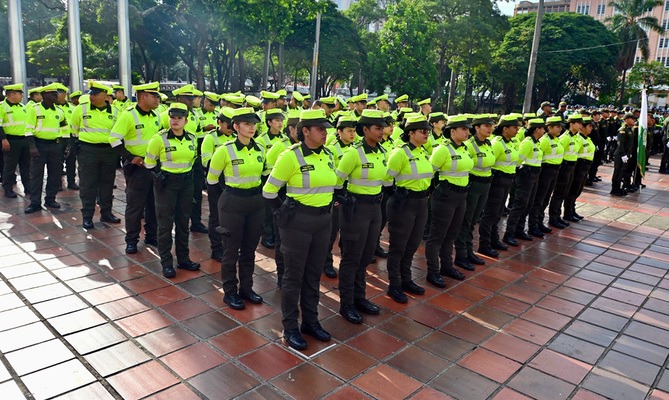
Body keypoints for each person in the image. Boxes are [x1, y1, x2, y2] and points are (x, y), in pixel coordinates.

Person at [263, 109, 336, 351]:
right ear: (305, 131)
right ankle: (290, 326)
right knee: (293, 277)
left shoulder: (328, 155)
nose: (325, 133)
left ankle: (311, 321)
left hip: (323, 222)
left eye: (326, 128)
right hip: (298, 224)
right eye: (320, 129)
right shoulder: (291, 157)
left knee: (314, 274)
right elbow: (269, 191)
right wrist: (284, 213)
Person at [207, 108, 265, 310]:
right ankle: (230, 292)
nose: (251, 127)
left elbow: (263, 175)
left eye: (253, 124)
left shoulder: (260, 149)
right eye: (247, 124)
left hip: (255, 203)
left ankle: (247, 288)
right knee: (231, 250)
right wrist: (224, 201)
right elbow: (212, 180)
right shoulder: (225, 150)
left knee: (249, 249)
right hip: (233, 203)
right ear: (236, 126)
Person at [335, 110, 389, 324]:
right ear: (365, 130)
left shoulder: (382, 152)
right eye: (377, 128)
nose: (381, 131)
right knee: (351, 258)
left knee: (365, 257)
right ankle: (346, 304)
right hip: (355, 210)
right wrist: (345, 201)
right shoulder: (353, 154)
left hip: (375, 209)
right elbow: (337, 182)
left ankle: (360, 298)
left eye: (382, 128)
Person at [145, 103, 200, 278]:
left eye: (179, 118)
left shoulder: (192, 138)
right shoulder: (158, 139)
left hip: (186, 183)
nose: (175, 121)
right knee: (165, 224)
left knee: (184, 222)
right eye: (172, 117)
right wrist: (158, 177)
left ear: (186, 120)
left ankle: (183, 259)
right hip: (167, 184)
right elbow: (149, 163)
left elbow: (193, 160)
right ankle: (167, 262)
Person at [385, 115, 434, 303]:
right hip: (403, 204)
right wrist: (398, 197)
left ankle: (406, 279)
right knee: (398, 245)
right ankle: (394, 284)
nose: (426, 135)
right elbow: (387, 180)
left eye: (428, 131)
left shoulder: (422, 152)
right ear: (410, 133)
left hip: (421, 203)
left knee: (413, 244)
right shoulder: (400, 153)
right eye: (423, 131)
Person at [109, 82, 162, 254]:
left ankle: (152, 235)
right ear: (143, 96)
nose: (157, 99)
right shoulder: (128, 116)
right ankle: (131, 240)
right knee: (135, 206)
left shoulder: (157, 115)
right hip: (137, 169)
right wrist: (130, 157)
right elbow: (114, 139)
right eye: (154, 96)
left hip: (154, 167)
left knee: (154, 204)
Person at [424, 115, 475, 287]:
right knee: (437, 236)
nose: (467, 132)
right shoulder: (442, 149)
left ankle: (447, 266)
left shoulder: (465, 148)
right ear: (452, 131)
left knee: (451, 234)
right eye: (464, 129)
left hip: (461, 196)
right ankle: (433, 271)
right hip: (445, 195)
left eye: (468, 129)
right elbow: (429, 172)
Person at [70, 80, 120, 229]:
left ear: (105, 95)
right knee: (87, 185)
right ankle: (87, 216)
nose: (92, 96)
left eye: (96, 94)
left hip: (109, 152)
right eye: (91, 94)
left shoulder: (116, 112)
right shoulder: (81, 109)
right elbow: (74, 130)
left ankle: (106, 213)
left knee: (107, 184)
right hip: (88, 151)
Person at [264, 109, 301, 288]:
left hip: (299, 201)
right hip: (282, 195)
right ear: (292, 130)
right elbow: (268, 165)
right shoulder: (281, 145)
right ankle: (281, 275)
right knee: (282, 240)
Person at [454, 114, 496, 269]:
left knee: (473, 221)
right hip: (473, 185)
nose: (490, 128)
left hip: (485, 185)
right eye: (486, 125)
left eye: (491, 126)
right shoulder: (470, 145)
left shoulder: (488, 144)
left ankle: (469, 250)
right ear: (477, 128)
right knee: (466, 220)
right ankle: (461, 254)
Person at [163, 85, 206, 234]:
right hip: (172, 163)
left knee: (196, 193)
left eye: (192, 98)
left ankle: (196, 221)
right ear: (179, 98)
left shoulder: (193, 114)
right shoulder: (166, 114)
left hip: (192, 159)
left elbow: (199, 135)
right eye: (188, 98)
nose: (192, 101)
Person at [477, 115, 521, 258]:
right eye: (514, 127)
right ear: (505, 128)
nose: (517, 130)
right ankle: (484, 244)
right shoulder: (496, 143)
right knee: (491, 213)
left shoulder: (510, 142)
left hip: (507, 180)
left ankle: (494, 239)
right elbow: (490, 163)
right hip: (497, 180)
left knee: (498, 212)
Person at [24, 84, 69, 214]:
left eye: (57, 94)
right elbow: (28, 129)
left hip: (55, 146)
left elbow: (65, 129)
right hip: (39, 145)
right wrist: (32, 147)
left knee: (55, 174)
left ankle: (50, 199)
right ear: (44, 95)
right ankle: (35, 203)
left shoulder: (60, 111)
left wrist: (66, 145)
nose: (56, 96)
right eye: (53, 94)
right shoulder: (34, 109)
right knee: (36, 175)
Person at [503, 119, 545, 246]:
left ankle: (519, 230)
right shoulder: (527, 143)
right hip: (526, 174)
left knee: (528, 204)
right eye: (542, 128)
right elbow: (518, 160)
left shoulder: (536, 142)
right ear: (536, 129)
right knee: (520, 204)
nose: (544, 131)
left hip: (535, 174)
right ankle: (509, 233)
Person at [202, 108, 235, 262]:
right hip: (216, 182)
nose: (230, 128)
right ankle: (216, 248)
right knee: (216, 215)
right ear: (219, 123)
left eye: (232, 125)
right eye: (227, 124)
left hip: (232, 184)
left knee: (232, 217)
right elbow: (206, 162)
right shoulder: (211, 138)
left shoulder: (236, 138)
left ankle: (229, 246)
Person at [528, 116, 564, 237]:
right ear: (550, 128)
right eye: (557, 126)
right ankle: (533, 225)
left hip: (554, 171)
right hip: (545, 171)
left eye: (560, 126)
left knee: (545, 199)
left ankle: (539, 222)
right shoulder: (544, 140)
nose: (560, 129)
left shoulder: (556, 139)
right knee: (539, 199)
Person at [257, 108, 286, 250]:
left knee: (280, 205)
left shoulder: (284, 139)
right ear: (269, 122)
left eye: (281, 120)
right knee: (268, 208)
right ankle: (267, 236)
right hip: (267, 175)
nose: (280, 123)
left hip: (282, 176)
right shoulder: (261, 139)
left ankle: (277, 234)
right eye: (277, 121)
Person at [548, 114, 583, 228]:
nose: (580, 126)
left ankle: (558, 216)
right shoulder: (565, 137)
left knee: (564, 192)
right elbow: (559, 153)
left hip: (572, 167)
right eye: (578, 123)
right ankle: (553, 217)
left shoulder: (575, 137)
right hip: (564, 167)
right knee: (558, 193)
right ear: (571, 124)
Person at [0, 83, 30, 198]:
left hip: (24, 140)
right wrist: (3, 139)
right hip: (11, 140)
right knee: (9, 166)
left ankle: (28, 187)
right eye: (19, 94)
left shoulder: (22, 107)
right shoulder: (2, 106)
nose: (21, 96)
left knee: (26, 165)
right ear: (11, 94)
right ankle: (7, 188)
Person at [564, 116, 595, 221]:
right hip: (579, 165)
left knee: (578, 190)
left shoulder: (587, 139)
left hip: (586, 166)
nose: (591, 128)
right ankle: (568, 212)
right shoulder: (579, 139)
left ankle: (572, 210)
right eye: (589, 126)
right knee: (573, 189)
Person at [54, 83, 78, 190]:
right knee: (57, 162)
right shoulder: (52, 108)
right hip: (57, 138)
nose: (58, 95)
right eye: (56, 93)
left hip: (70, 138)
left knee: (71, 161)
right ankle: (58, 183)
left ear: (65, 94)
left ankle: (71, 181)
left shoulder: (73, 108)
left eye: (60, 93)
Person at [611, 113, 637, 196]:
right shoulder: (623, 129)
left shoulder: (630, 129)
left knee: (622, 172)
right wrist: (622, 154)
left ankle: (619, 188)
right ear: (626, 120)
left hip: (626, 154)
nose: (634, 120)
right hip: (620, 154)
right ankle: (615, 189)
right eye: (632, 119)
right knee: (618, 172)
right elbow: (620, 143)